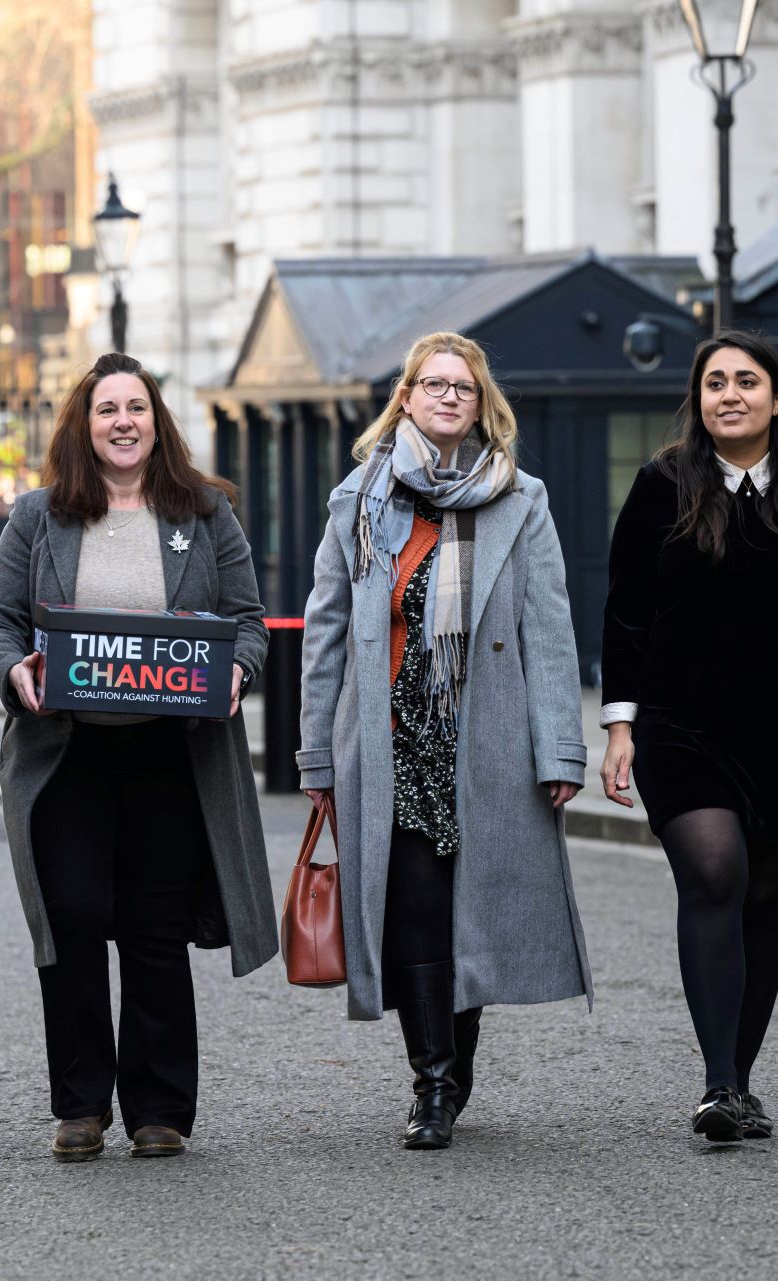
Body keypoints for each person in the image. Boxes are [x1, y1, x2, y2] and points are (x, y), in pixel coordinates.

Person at [0, 352, 275, 1163]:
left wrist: (240, 668)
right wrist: (17, 670)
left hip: (169, 755)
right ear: (85, 424)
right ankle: (79, 1104)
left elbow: (247, 620)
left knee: (153, 927)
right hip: (66, 753)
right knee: (70, 919)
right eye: (107, 410)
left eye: (135, 407)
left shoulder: (205, 514)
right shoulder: (39, 517)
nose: (123, 422)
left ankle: (159, 1108)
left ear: (156, 420)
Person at [298, 331, 590, 1151]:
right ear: (407, 398)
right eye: (434, 384)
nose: (449, 397)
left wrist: (560, 748)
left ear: (482, 401)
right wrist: (316, 753)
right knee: (417, 911)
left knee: (473, 913)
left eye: (463, 386)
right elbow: (323, 634)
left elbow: (551, 630)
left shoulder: (519, 499)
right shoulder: (359, 500)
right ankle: (430, 1082)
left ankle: (452, 1071)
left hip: (486, 738)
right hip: (391, 740)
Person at [600, 331, 778, 1145]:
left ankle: (740, 1081)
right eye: (715, 382)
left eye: (747, 381)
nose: (730, 394)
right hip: (679, 723)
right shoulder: (662, 485)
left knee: (765, 897)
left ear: (777, 398)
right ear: (698, 399)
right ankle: (718, 1081)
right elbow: (626, 611)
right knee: (716, 872)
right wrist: (619, 727)